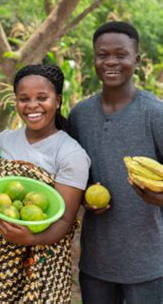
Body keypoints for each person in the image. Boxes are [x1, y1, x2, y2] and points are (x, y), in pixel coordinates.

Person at [0, 64, 90, 303]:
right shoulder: (1, 142)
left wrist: (32, 239)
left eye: (42, 98)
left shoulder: (70, 153)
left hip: (40, 267)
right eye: (23, 98)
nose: (32, 106)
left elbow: (65, 220)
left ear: (57, 101)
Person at [69, 21, 163, 304]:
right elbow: (76, 179)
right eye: (102, 54)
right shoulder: (80, 116)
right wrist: (85, 199)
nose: (111, 61)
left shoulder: (155, 113)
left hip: (148, 265)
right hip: (96, 263)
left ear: (136, 59)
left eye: (121, 54)